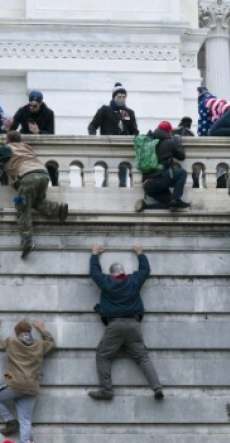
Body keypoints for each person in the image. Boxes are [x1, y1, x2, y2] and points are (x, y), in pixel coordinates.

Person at [88, 242, 163, 401]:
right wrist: (140, 253)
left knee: (102, 355)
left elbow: (95, 273)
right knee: (142, 357)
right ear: (123, 272)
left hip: (115, 325)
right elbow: (145, 270)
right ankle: (157, 387)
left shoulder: (107, 282)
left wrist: (94, 255)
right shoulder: (133, 280)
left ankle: (106, 390)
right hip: (134, 325)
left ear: (112, 274)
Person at [0, 130, 68, 259]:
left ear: (8, 140)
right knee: (36, 202)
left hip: (28, 177)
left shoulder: (8, 148)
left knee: (22, 208)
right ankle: (58, 209)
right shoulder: (27, 148)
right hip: (43, 175)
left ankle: (27, 242)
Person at [0, 318, 55, 443]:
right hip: (32, 388)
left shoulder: (11, 341)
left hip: (16, 386)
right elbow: (51, 343)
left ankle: (10, 421)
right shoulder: (39, 344)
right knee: (25, 421)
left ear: (17, 332)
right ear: (30, 331)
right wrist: (42, 329)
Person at [88, 82, 139, 187]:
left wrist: (135, 139)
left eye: (124, 97)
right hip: (109, 147)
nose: (122, 99)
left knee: (122, 179)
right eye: (119, 97)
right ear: (114, 97)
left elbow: (133, 130)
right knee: (110, 176)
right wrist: (94, 139)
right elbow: (93, 126)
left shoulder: (126, 113)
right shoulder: (105, 110)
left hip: (124, 149)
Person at [135, 121, 190, 213]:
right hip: (160, 179)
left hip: (147, 185)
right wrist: (178, 142)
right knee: (182, 173)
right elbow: (182, 156)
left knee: (169, 204)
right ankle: (176, 199)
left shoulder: (149, 141)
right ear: (169, 131)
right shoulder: (170, 142)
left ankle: (145, 206)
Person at [7, 90, 57, 185]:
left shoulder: (48, 113)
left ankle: (54, 184)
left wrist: (38, 132)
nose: (31, 108)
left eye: (35, 106)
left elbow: (51, 133)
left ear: (41, 104)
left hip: (42, 146)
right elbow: (12, 129)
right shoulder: (22, 110)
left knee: (51, 165)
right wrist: (8, 126)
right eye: (30, 105)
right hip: (25, 145)